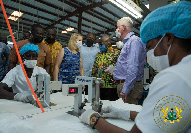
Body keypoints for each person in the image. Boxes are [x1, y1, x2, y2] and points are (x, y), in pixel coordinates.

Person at [80, 1, 191, 132]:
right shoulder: (186, 71)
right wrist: (124, 113)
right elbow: (163, 118)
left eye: (149, 46)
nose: (149, 54)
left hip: (129, 86)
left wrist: (94, 119)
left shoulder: (174, 78)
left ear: (168, 39)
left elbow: (132, 67)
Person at [113, 17, 146, 105]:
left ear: (123, 27)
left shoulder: (134, 41)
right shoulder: (128, 42)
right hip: (127, 85)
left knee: (128, 115)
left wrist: (125, 90)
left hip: (130, 87)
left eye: (118, 27)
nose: (117, 30)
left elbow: (133, 67)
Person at [91, 35, 120, 101]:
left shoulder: (116, 53)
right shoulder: (99, 54)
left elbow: (122, 68)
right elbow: (94, 67)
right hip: (99, 85)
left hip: (111, 86)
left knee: (111, 106)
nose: (100, 45)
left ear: (108, 43)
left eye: (102, 43)